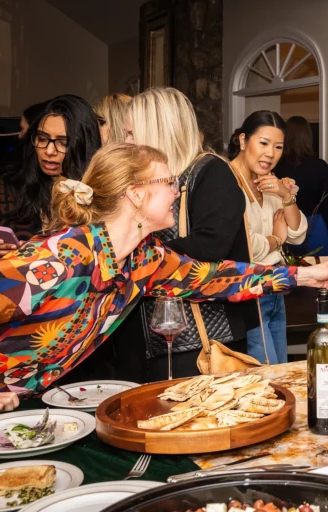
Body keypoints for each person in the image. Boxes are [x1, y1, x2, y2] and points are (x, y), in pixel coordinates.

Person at [0, 143, 328, 413]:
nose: (177, 189)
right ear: (136, 194)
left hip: (22, 406)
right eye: (168, 181)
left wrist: (305, 275)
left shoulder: (143, 259)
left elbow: (217, 278)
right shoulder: (58, 260)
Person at [107, 87, 257, 383]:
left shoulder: (211, 173)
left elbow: (211, 246)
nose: (125, 143)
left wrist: (138, 254)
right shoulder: (142, 183)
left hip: (201, 344)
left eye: (131, 134)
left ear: (156, 132)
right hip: (145, 342)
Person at [0, 95, 101, 259]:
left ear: (83, 145)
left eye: (63, 142)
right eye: (42, 138)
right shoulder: (1, 187)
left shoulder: (100, 196)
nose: (49, 151)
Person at [229, 111, 308, 365]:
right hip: (249, 291)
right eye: (263, 143)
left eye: (278, 147)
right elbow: (244, 245)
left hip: (275, 289)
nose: (271, 154)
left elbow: (297, 234)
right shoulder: (227, 183)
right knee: (267, 378)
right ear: (243, 141)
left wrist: (286, 195)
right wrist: (275, 239)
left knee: (281, 371)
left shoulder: (270, 184)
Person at [274, 115, 328, 256]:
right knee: (321, 272)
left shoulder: (277, 167)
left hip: (286, 225)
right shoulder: (320, 166)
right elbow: (327, 204)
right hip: (315, 225)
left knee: (289, 274)